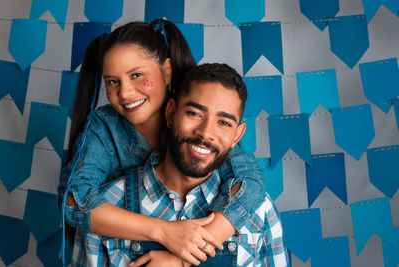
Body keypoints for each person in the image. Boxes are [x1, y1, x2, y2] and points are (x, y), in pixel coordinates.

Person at [58, 19, 265, 266]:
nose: (125, 93)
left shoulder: (201, 121)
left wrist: (182, 258)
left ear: (166, 71)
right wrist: (163, 231)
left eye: (137, 75)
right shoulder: (104, 129)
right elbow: (74, 200)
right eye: (113, 81)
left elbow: (250, 183)